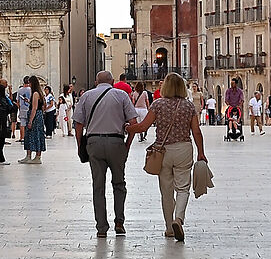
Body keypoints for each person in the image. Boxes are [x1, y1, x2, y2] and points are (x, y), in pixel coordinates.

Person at [72, 70, 143, 237]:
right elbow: (133, 123)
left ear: (96, 82)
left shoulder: (87, 96)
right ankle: (119, 221)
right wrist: (127, 145)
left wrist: (80, 145)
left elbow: (78, 125)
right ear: (112, 82)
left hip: (94, 143)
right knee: (119, 183)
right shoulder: (122, 96)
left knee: (98, 186)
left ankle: (101, 228)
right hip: (116, 141)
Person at [146, 73, 209, 242]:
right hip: (183, 148)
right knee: (182, 188)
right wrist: (201, 152)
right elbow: (196, 131)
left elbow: (144, 126)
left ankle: (169, 228)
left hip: (163, 151)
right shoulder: (188, 106)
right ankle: (178, 219)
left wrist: (129, 129)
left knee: (166, 191)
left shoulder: (157, 104)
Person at [16, 75, 47, 164]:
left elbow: (34, 108)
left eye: (29, 82)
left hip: (35, 116)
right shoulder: (39, 93)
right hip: (39, 115)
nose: (28, 84)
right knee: (36, 135)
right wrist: (28, 101)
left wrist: (30, 121)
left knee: (32, 135)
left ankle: (34, 156)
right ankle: (34, 156)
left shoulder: (35, 94)